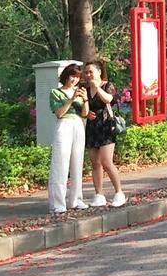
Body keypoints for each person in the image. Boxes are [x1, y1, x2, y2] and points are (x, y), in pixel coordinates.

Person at [83, 59, 127, 208]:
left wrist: (98, 87)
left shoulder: (107, 85)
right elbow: (81, 106)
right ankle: (99, 194)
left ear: (99, 72)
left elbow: (109, 99)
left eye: (91, 72)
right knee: (95, 163)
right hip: (91, 127)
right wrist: (86, 112)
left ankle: (119, 192)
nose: (88, 75)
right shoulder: (85, 88)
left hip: (106, 126)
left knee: (106, 162)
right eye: (86, 72)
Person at [48, 63, 89, 213]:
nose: (75, 80)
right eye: (73, 76)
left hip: (78, 124)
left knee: (77, 163)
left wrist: (85, 99)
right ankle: (58, 203)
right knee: (61, 163)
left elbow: (85, 113)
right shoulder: (56, 92)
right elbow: (59, 113)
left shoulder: (79, 92)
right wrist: (71, 99)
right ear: (66, 76)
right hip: (64, 125)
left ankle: (76, 199)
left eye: (78, 77)